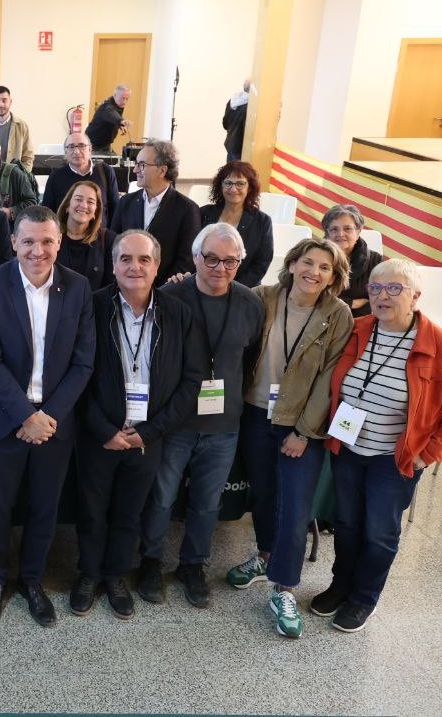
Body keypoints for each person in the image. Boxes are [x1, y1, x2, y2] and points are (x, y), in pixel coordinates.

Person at [315, 259, 442, 632]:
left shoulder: (440, 345)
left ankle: (363, 599)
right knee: (347, 524)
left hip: (395, 459)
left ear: (415, 296)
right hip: (348, 448)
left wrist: (428, 454)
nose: (383, 296)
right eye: (376, 288)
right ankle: (340, 586)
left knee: (379, 533)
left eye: (395, 288)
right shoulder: (357, 329)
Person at [0, 206, 95, 628]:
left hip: (54, 423)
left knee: (45, 506)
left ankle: (32, 580)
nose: (37, 251)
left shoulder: (78, 288)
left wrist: (48, 416)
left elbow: (83, 362)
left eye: (46, 241)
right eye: (28, 241)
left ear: (59, 242)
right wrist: (26, 416)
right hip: (4, 418)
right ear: (13, 242)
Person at [73, 230, 205, 620]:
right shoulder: (91, 306)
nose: (135, 267)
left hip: (148, 437)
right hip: (99, 435)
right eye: (126, 259)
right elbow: (75, 373)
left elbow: (191, 381)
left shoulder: (178, 314)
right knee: (92, 511)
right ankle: (88, 574)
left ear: (157, 266)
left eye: (144, 259)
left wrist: (149, 432)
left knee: (130, 513)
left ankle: (115, 575)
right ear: (113, 265)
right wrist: (103, 430)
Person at [227, 237, 353, 639]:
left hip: (301, 425)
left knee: (296, 506)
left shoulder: (337, 314)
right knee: (264, 495)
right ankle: (266, 557)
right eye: (308, 262)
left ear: (334, 277)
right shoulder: (262, 297)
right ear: (293, 263)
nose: (314, 272)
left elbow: (330, 381)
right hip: (255, 413)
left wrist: (303, 432)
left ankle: (284, 588)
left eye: (325, 268)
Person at [139, 223, 265, 609]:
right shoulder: (169, 297)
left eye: (230, 261)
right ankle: (150, 561)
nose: (220, 267)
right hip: (174, 422)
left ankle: (193, 564)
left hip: (223, 425)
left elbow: (249, 357)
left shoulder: (250, 304)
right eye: (211, 258)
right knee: (161, 498)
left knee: (208, 503)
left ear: (240, 262)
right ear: (195, 257)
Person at [111, 139, 201, 286]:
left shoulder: (187, 209)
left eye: (142, 165)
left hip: (164, 289)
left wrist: (162, 288)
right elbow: (113, 245)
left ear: (162, 170)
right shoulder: (126, 202)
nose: (135, 170)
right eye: (136, 164)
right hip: (126, 285)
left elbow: (186, 260)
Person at [194, 161, 272, 287]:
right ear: (221, 185)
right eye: (228, 183)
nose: (233, 189)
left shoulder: (262, 221)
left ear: (249, 187)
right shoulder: (203, 213)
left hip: (244, 287)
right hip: (205, 283)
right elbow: (193, 251)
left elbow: (261, 263)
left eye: (240, 184)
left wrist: (231, 287)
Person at [40, 131, 121, 225]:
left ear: (90, 149)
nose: (76, 151)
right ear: (65, 152)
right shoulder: (56, 176)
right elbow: (47, 212)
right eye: (71, 147)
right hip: (66, 232)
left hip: (100, 232)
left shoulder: (105, 171)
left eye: (82, 146)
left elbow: (115, 209)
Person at [54, 181, 117, 293]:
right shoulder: (51, 237)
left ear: (96, 212)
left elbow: (110, 286)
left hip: (94, 303)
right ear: (67, 205)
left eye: (90, 202)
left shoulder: (108, 239)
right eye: (78, 199)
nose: (84, 205)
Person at [323, 204, 384, 318]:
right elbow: (310, 296)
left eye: (347, 229)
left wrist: (334, 302)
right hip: (322, 319)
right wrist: (351, 303)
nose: (340, 234)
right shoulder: (315, 257)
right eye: (334, 229)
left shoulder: (376, 261)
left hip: (361, 321)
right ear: (327, 233)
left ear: (358, 231)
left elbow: (380, 299)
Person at [85, 84, 132, 154]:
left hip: (105, 144)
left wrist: (120, 124)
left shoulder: (117, 104)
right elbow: (112, 114)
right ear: (115, 95)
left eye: (127, 99)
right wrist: (121, 121)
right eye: (122, 98)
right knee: (113, 160)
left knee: (116, 160)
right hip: (93, 145)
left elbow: (115, 115)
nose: (124, 102)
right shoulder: (106, 107)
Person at [223, 80, 250, 162]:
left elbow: (225, 124)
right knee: (238, 170)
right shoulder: (250, 106)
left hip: (231, 146)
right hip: (241, 150)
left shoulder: (233, 100)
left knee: (231, 169)